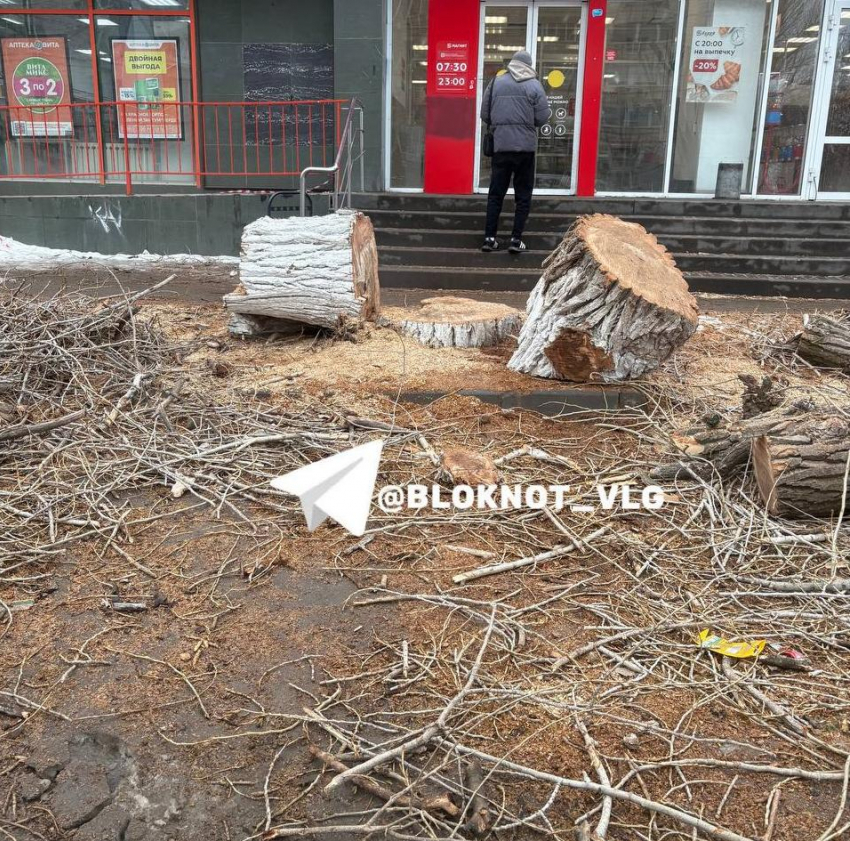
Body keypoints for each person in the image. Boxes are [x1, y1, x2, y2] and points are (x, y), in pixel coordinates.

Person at [480, 50, 551, 254]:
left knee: (495, 194)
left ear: (512, 64)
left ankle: (489, 238)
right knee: (523, 195)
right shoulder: (535, 85)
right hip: (525, 150)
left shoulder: (496, 82)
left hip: (501, 147)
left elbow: (485, 114)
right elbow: (542, 118)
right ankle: (515, 239)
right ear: (529, 66)